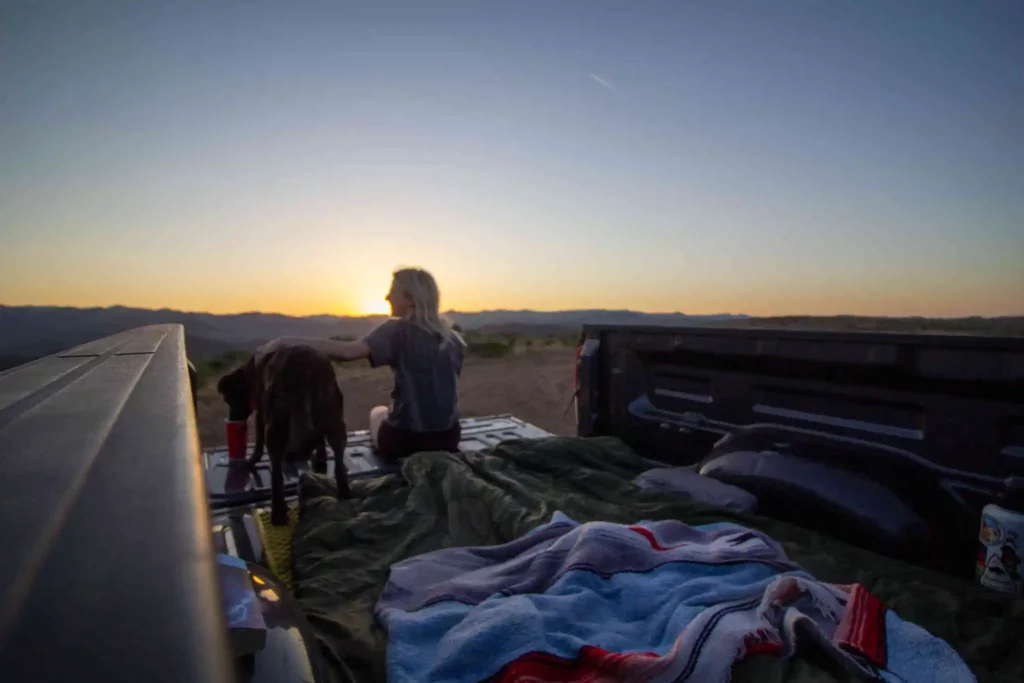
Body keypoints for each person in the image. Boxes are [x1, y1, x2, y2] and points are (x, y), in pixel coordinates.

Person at [257, 267, 465, 458]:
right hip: (448, 438)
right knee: (389, 412)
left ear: (410, 299)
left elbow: (347, 352)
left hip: (405, 441)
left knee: (377, 412)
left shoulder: (396, 330)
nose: (386, 297)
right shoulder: (454, 339)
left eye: (392, 291)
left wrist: (285, 341)